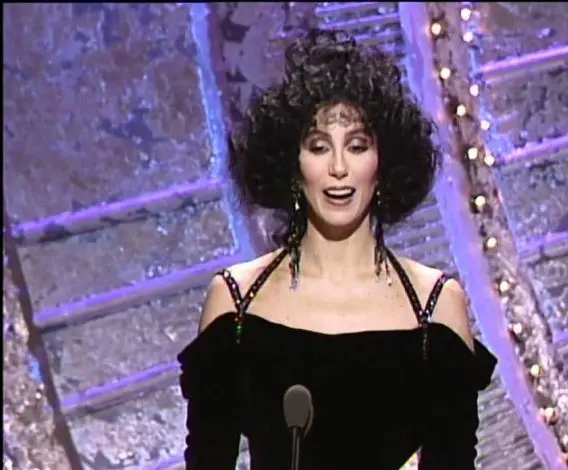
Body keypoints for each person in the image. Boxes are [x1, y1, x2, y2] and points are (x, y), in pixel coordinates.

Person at [177, 28, 497, 470]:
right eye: (318, 147)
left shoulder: (434, 309)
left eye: (357, 146)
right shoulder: (236, 304)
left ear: (383, 163)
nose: (339, 168)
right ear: (292, 164)